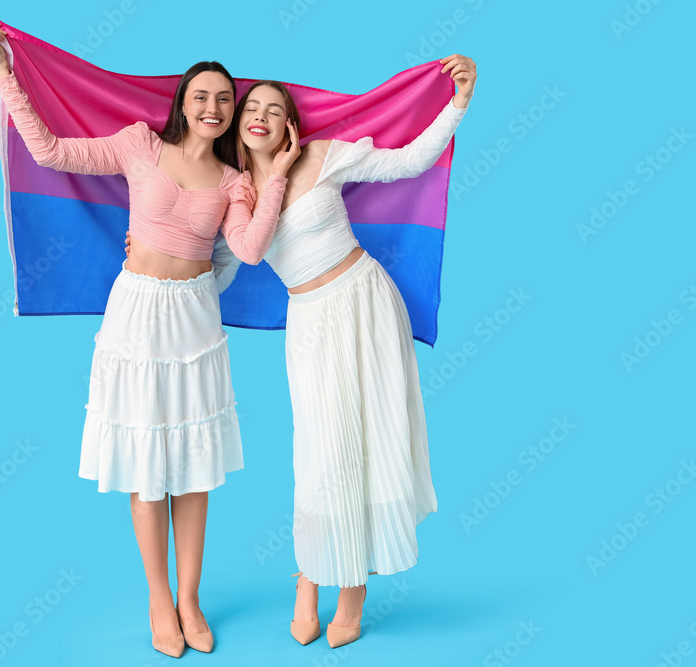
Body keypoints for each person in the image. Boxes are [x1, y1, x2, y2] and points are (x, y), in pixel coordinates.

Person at [129, 54, 476, 649]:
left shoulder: (325, 155)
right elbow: (225, 266)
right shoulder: (236, 190)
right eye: (252, 108)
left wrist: (458, 104)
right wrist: (155, 268)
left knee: (371, 436)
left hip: (363, 302)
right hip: (310, 320)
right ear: (237, 123)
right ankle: (309, 577)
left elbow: (410, 161)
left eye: (275, 109)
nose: (260, 116)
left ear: (290, 123)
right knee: (319, 449)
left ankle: (352, 591)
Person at [0, 22, 299, 658]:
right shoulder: (137, 147)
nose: (213, 107)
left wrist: (280, 171)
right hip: (135, 315)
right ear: (182, 102)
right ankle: (158, 601)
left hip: (195, 320)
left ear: (232, 114)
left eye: (224, 100)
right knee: (147, 465)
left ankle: (189, 598)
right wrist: (3, 72)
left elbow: (251, 251)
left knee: (195, 467)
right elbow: (51, 153)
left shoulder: (238, 182)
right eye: (202, 96)